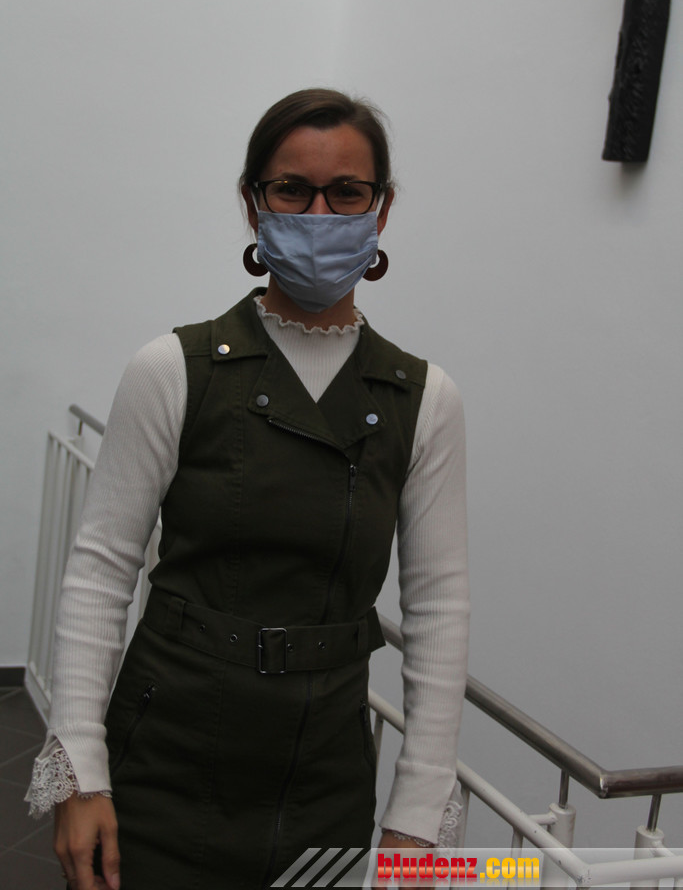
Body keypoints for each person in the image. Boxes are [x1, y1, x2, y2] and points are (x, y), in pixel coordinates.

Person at [26, 89, 469, 890]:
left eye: (347, 193)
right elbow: (100, 569)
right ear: (252, 202)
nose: (319, 213)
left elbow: (438, 607)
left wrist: (416, 812)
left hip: (325, 771)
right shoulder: (174, 368)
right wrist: (80, 770)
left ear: (381, 209)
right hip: (165, 754)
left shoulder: (423, 399)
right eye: (291, 189)